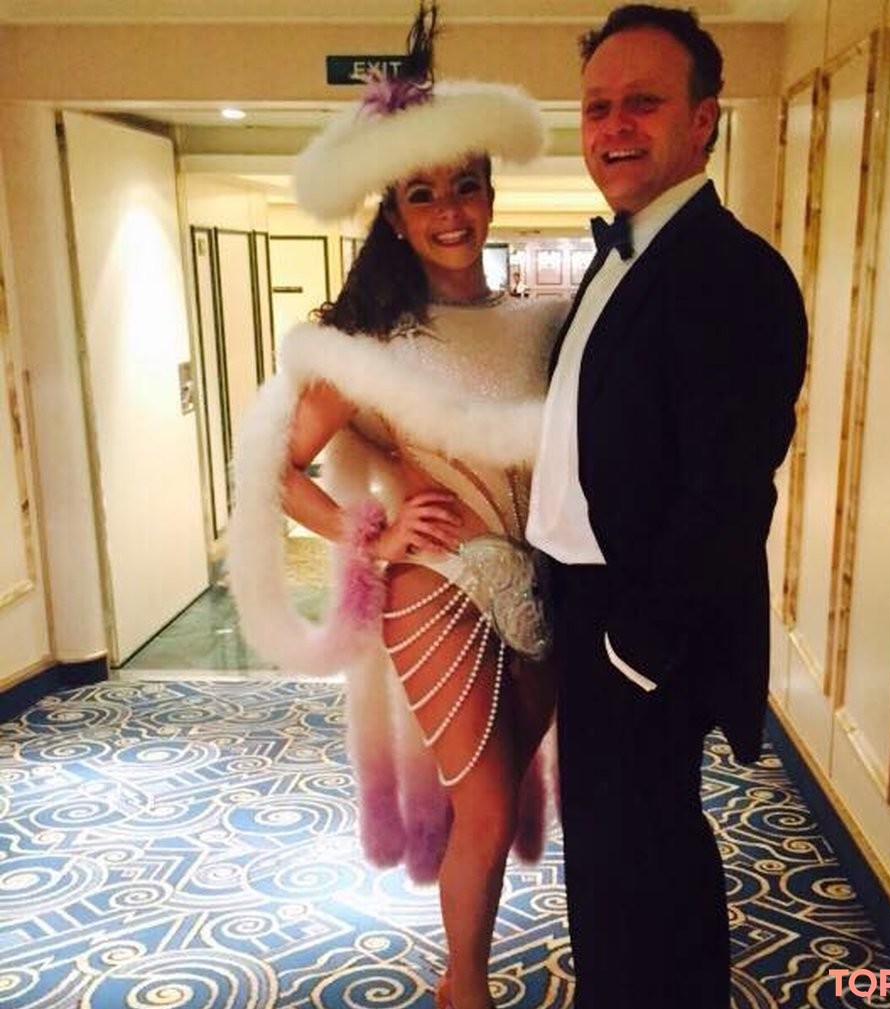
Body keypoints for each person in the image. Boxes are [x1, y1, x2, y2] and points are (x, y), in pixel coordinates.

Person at [227, 8, 564, 1009]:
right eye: (423, 193)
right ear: (398, 216)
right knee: (487, 803)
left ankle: (465, 960)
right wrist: (364, 534)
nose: (449, 209)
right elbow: (273, 468)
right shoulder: (368, 344)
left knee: (500, 790)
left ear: (491, 192)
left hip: (540, 582)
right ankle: (465, 988)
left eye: (465, 184)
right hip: (435, 585)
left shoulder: (541, 323)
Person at [527, 5, 808, 1007]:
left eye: (641, 102)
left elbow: (727, 492)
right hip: (588, 605)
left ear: (703, 119)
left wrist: (636, 647)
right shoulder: (628, 253)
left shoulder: (732, 272)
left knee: (646, 862)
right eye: (597, 106)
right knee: (611, 856)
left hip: (639, 622)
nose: (613, 126)